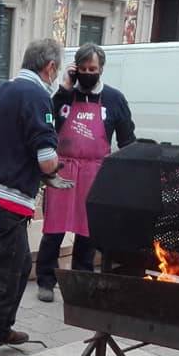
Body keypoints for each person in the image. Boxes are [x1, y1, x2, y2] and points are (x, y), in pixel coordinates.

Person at [0, 39, 69, 356]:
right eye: (57, 70)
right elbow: (46, 158)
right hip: (7, 197)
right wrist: (55, 171)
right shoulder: (38, 96)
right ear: (50, 67)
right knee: (5, 276)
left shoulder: (3, 91)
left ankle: (1, 327)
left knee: (22, 264)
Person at [35, 43, 136, 303]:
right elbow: (47, 121)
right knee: (54, 229)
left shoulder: (114, 99)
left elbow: (127, 140)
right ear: (74, 69)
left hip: (95, 172)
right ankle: (46, 280)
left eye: (93, 68)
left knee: (86, 231)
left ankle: (81, 281)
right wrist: (65, 90)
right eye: (82, 68)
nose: (88, 73)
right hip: (63, 169)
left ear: (101, 69)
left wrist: (127, 173)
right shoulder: (65, 96)